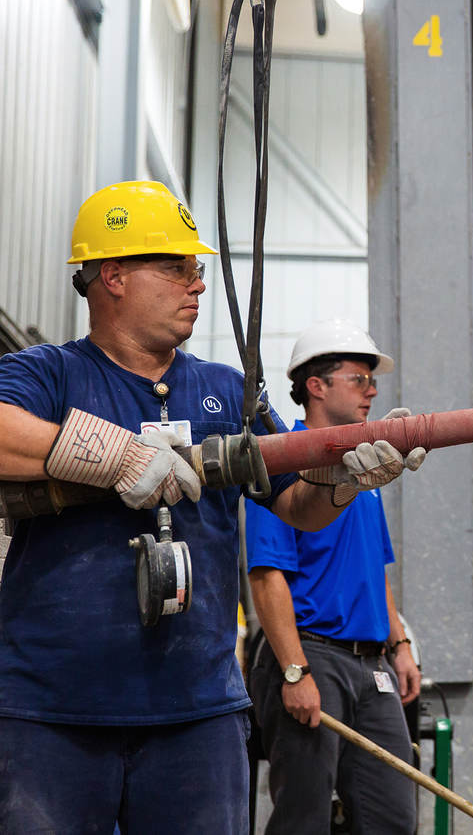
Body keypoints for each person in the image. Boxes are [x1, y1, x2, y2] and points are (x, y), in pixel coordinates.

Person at [0, 182, 421, 834]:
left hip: (197, 716)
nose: (196, 284)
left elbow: (296, 506)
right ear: (113, 275)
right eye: (177, 268)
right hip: (53, 712)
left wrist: (347, 482)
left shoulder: (228, 390)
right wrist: (112, 455)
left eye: (197, 270)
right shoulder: (51, 375)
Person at [245, 319, 422, 835]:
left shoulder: (364, 471)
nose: (371, 390)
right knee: (304, 819)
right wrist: (295, 673)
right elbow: (266, 576)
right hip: (310, 655)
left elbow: (375, 569)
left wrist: (400, 643)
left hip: (373, 663)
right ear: (316, 386)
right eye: (358, 378)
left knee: (393, 817)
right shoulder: (283, 462)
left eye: (373, 380)